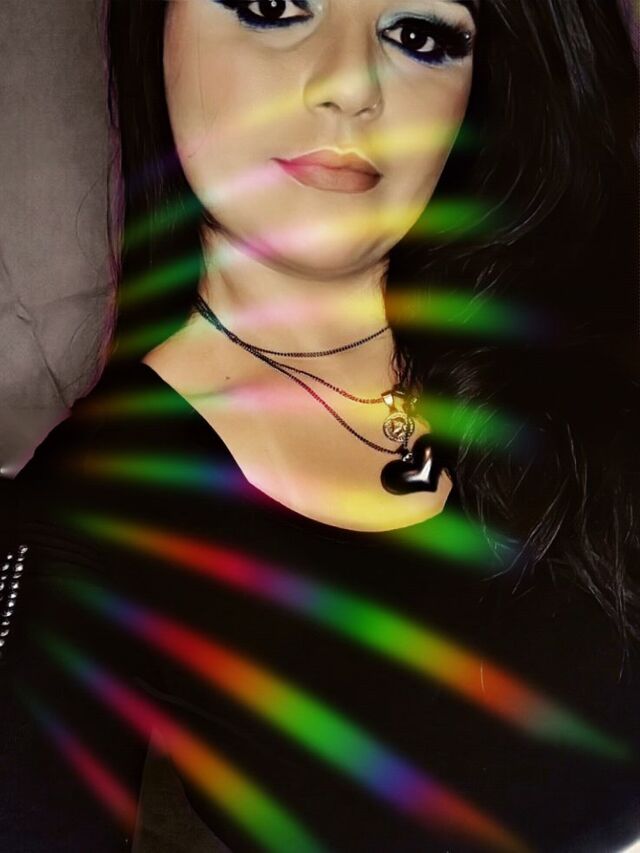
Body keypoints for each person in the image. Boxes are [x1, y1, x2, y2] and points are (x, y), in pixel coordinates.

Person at [1, 0, 639, 851]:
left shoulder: (587, 338)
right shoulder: (87, 520)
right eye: (273, 7)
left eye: (419, 36)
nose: (350, 82)